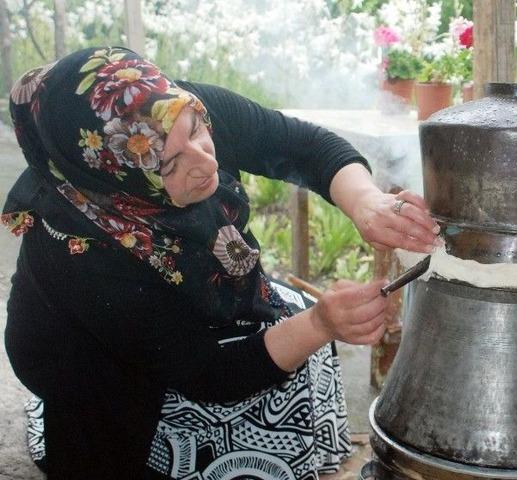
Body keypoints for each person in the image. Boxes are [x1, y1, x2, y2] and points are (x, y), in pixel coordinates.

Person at [3, 46, 440, 479]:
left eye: (196, 131)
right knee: (121, 433)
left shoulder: (173, 112)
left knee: (290, 321)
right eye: (169, 165)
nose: (205, 161)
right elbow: (208, 371)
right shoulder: (82, 251)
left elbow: (302, 145)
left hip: (179, 311)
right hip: (90, 360)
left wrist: (366, 203)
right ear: (119, 178)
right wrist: (319, 325)